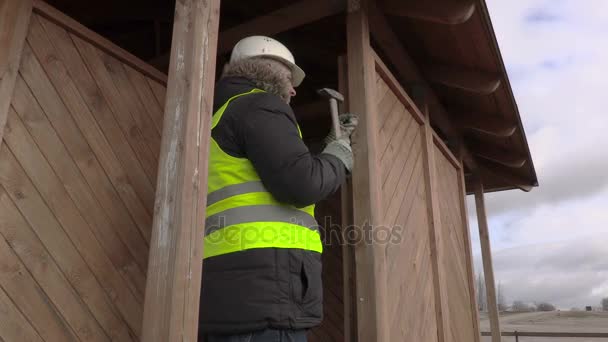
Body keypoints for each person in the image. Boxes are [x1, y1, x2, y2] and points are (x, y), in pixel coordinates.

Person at [199, 35, 358, 342]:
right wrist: (338, 159)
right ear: (268, 71)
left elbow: (273, 170)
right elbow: (301, 184)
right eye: (288, 77)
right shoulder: (260, 104)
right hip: (267, 298)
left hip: (232, 295)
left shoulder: (219, 117)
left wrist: (329, 148)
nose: (294, 89)